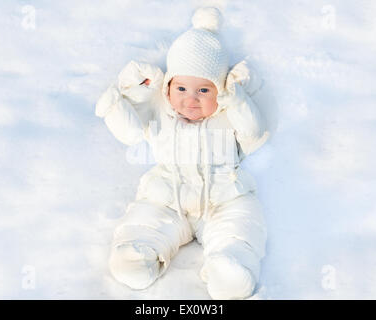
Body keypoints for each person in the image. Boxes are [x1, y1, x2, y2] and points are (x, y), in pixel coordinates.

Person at [95, 7, 269, 300]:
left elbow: (256, 134)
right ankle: (136, 257)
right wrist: (115, 104)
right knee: (147, 218)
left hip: (224, 197)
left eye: (204, 90)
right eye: (183, 88)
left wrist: (237, 101)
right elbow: (131, 131)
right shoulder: (160, 111)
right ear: (169, 88)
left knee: (240, 226)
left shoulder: (228, 112)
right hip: (168, 196)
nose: (191, 98)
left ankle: (230, 267)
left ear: (220, 91)